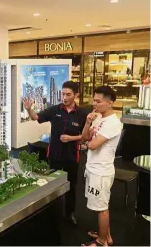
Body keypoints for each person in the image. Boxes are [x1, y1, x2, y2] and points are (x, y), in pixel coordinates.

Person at [23, 81, 88, 225]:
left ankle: (70, 213)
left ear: (76, 95)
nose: (64, 97)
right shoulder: (55, 110)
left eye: (68, 94)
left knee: (71, 186)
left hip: (72, 156)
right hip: (54, 155)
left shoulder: (83, 114)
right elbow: (36, 118)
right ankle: (53, 213)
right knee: (52, 185)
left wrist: (71, 138)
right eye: (63, 94)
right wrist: (29, 109)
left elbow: (86, 137)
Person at [81, 86, 122, 246]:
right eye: (94, 100)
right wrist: (87, 122)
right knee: (100, 205)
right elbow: (85, 138)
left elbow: (92, 145)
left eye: (98, 101)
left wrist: (87, 143)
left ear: (110, 102)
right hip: (93, 168)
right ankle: (107, 235)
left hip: (101, 171)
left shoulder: (112, 123)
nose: (94, 104)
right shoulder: (98, 118)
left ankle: (101, 241)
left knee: (102, 207)